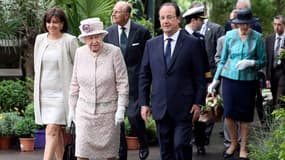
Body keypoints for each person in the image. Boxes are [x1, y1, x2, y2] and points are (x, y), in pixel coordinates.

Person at [139, 2, 207, 160]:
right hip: (160, 106)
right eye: (162, 18)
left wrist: (198, 102)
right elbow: (144, 75)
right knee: (166, 150)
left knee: (181, 145)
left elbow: (200, 76)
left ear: (178, 19)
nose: (165, 21)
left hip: (185, 107)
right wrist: (144, 103)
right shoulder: (151, 45)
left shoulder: (193, 44)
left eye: (169, 17)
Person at [208, 8, 266, 160]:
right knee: (229, 114)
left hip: (248, 82)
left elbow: (263, 61)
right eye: (240, 24)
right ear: (236, 24)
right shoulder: (229, 36)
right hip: (229, 79)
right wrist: (215, 80)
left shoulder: (258, 38)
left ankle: (243, 147)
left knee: (245, 116)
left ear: (250, 23)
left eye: (246, 24)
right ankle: (233, 143)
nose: (244, 27)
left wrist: (251, 62)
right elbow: (222, 60)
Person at [68, 18, 129, 160]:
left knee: (109, 156)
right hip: (84, 114)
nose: (93, 41)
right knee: (82, 155)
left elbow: (122, 83)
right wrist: (72, 109)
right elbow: (74, 84)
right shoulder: (80, 53)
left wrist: (121, 108)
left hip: (108, 115)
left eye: (96, 37)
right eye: (90, 38)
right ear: (84, 39)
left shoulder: (114, 52)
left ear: (102, 36)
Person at [104, 1, 151, 160]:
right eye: (113, 11)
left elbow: (147, 58)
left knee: (133, 115)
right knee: (118, 121)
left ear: (127, 14)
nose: (114, 14)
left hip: (135, 82)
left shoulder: (142, 31)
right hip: (114, 83)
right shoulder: (108, 32)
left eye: (117, 12)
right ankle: (121, 152)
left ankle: (143, 141)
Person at [33, 7, 78, 160]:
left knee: (52, 129)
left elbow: (78, 67)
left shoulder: (70, 40)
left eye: (55, 22)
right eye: (48, 22)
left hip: (62, 95)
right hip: (44, 94)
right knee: (55, 131)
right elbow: (36, 66)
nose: (51, 25)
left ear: (62, 24)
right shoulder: (40, 39)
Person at [181, 5, 211, 155]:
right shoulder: (180, 36)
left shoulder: (200, 38)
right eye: (201, 20)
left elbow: (204, 62)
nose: (202, 23)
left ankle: (200, 143)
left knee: (199, 114)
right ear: (193, 20)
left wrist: (208, 81)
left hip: (197, 83)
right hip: (183, 84)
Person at [265, 15, 285, 109]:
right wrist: (267, 78)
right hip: (272, 73)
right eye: (275, 24)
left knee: (279, 99)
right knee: (272, 98)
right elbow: (267, 59)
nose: (276, 27)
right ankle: (274, 121)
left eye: (279, 25)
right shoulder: (269, 39)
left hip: (283, 72)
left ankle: (278, 121)